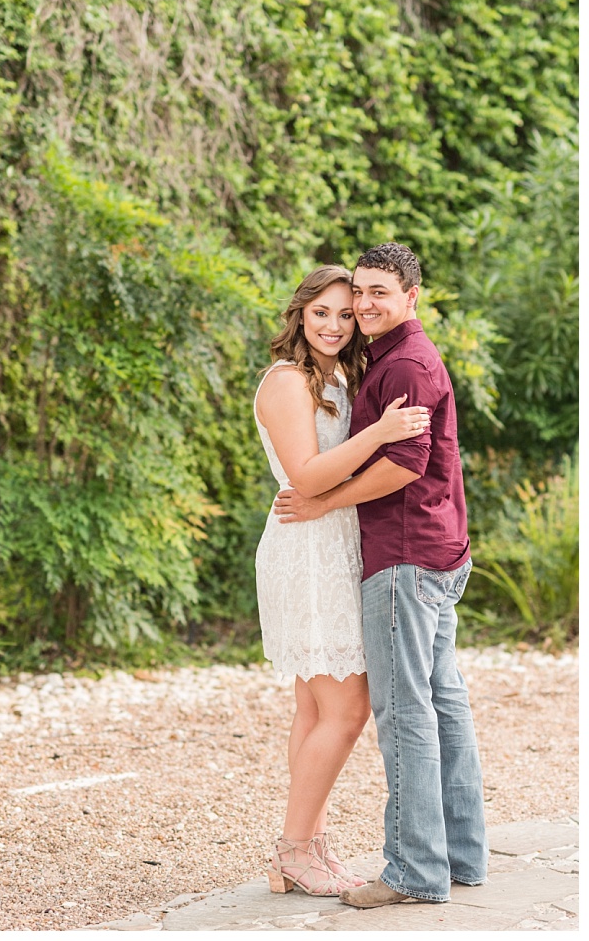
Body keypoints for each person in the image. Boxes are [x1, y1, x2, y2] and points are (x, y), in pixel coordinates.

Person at [275, 243, 487, 907]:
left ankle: (412, 871)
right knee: (427, 706)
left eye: (372, 296)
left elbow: (405, 465)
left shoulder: (402, 366)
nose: (355, 311)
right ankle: (452, 857)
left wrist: (325, 501)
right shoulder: (367, 367)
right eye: (343, 300)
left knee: (402, 713)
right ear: (302, 313)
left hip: (401, 555)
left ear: (411, 297)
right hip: (391, 550)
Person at [254, 264, 431, 896]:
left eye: (345, 314)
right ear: (300, 314)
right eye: (321, 312)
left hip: (333, 543)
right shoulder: (285, 381)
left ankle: (304, 853)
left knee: (313, 705)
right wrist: (383, 433)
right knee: (349, 707)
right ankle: (295, 849)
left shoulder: (337, 377)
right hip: (306, 549)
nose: (334, 325)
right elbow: (306, 477)